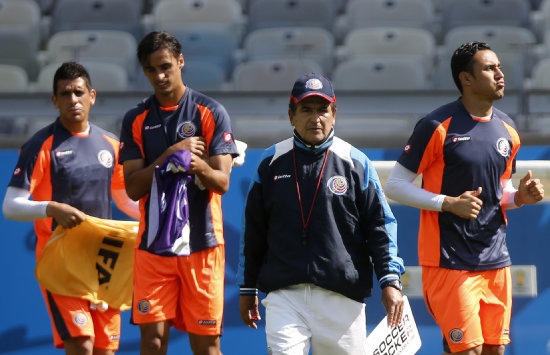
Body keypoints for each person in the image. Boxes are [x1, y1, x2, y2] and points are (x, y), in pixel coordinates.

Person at [384, 41, 545, 355]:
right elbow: (394, 185)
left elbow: (499, 194)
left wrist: (520, 197)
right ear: (466, 79)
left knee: (494, 351)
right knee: (465, 352)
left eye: (498, 67)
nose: (500, 74)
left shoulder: (508, 129)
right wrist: (447, 202)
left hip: (496, 261)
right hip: (449, 261)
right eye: (489, 68)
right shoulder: (436, 125)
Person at [237, 73, 405, 354]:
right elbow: (253, 232)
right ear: (291, 115)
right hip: (284, 297)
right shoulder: (270, 162)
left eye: (322, 109)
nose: (315, 118)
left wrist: (390, 280)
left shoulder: (356, 162)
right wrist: (248, 288)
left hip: (342, 298)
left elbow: (380, 226)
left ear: (334, 114)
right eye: (306, 110)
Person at [2, 61, 140, 355]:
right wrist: (52, 208)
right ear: (54, 100)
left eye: (78, 92)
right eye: (65, 94)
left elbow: (123, 197)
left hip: (104, 262)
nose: (72, 100)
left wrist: (160, 218)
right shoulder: (40, 146)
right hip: (61, 260)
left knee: (104, 349)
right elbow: (11, 206)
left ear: (92, 96)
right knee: (81, 343)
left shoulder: (111, 145)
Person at [118, 31, 239, 355]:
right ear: (143, 71)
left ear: (181, 61)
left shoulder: (210, 112)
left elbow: (222, 183)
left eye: (165, 66)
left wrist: (196, 165)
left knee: (206, 347)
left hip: (203, 245)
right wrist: (169, 156)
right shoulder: (135, 119)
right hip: (153, 248)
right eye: (151, 69)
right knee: (153, 343)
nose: (159, 75)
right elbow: (132, 187)